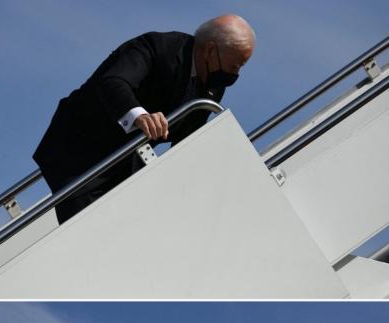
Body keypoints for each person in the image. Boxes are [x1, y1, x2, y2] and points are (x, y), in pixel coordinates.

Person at [32, 15, 256, 224]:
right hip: (80, 151)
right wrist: (141, 116)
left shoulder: (211, 87)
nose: (235, 74)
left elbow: (188, 140)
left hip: (125, 163)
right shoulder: (158, 47)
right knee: (87, 233)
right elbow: (113, 82)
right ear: (209, 50)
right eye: (235, 65)